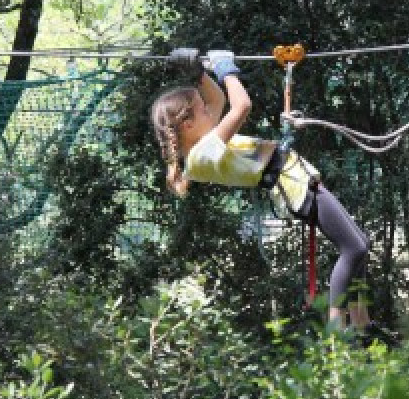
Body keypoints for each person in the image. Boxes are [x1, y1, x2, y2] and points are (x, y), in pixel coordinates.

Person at [150, 48, 372, 331]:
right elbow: (241, 106)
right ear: (188, 124)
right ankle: (337, 330)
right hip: (294, 186)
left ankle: (363, 323)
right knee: (354, 248)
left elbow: (218, 99)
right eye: (203, 109)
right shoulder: (202, 154)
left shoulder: (203, 143)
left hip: (295, 180)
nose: (209, 108)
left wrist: (200, 75)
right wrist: (226, 69)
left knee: (359, 246)